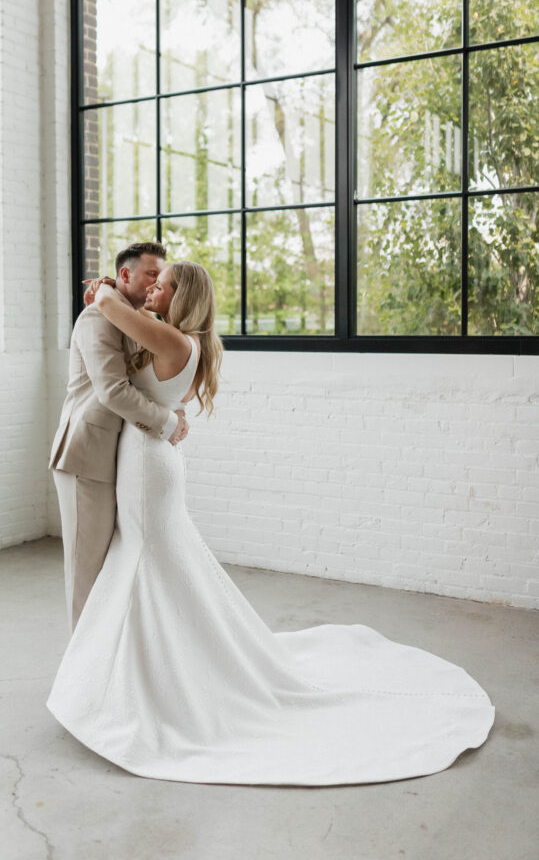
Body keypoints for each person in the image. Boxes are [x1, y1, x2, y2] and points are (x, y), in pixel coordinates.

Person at [47, 261, 494, 786]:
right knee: (149, 566)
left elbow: (106, 308)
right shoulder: (186, 339)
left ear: (181, 298)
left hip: (147, 462)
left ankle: (136, 684)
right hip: (147, 458)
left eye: (161, 285)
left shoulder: (171, 340)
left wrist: (104, 287)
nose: (151, 290)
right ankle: (138, 671)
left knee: (144, 562)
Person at [49, 242, 189, 633]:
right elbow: (113, 390)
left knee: (113, 566)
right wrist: (167, 423)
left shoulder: (135, 317)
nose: (155, 284)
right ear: (124, 275)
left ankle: (113, 651)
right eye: (150, 274)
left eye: (160, 278)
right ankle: (83, 663)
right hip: (85, 456)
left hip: (120, 456)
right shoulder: (97, 317)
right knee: (87, 570)